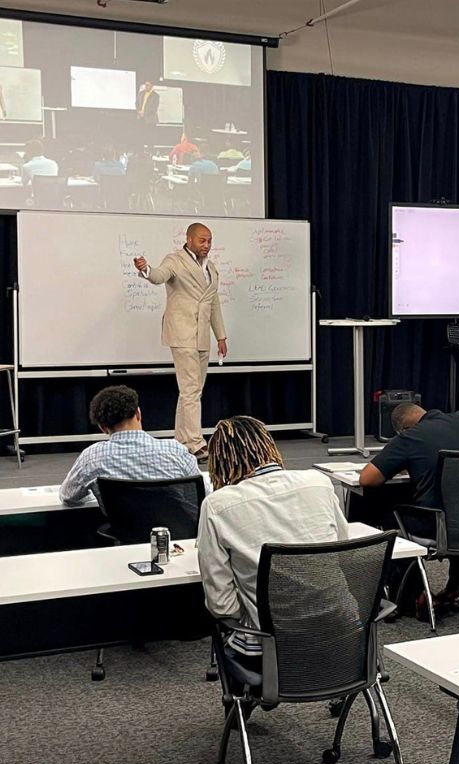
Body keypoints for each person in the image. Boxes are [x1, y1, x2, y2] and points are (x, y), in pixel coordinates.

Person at [197, 416, 350, 664]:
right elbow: (343, 551)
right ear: (269, 445)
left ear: (219, 461)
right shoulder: (319, 482)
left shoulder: (217, 505)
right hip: (343, 637)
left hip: (272, 651)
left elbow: (222, 605)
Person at [359, 400, 459, 614]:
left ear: (404, 428)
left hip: (439, 528)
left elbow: (367, 479)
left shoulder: (411, 436)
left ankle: (415, 597)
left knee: (389, 516)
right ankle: (454, 588)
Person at [133, 222, 227, 460]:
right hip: (183, 332)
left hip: (202, 335)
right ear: (189, 239)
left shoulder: (211, 268)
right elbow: (158, 276)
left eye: (209, 241)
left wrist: (221, 336)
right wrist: (146, 269)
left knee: (192, 390)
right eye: (202, 240)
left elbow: (213, 303)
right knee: (190, 389)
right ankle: (195, 443)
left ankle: (182, 440)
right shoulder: (175, 260)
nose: (207, 245)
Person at [59, 384, 198, 505]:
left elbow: (68, 497)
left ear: (102, 427)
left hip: (124, 534)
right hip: (179, 533)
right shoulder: (176, 451)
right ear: (138, 414)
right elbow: (202, 494)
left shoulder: (91, 458)